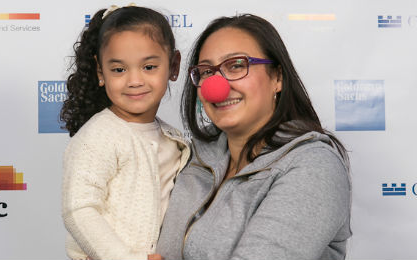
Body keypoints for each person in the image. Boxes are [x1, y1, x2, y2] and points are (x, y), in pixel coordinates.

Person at [156, 14, 351, 260]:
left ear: (277, 78)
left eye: (236, 65)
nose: (216, 85)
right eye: (206, 72)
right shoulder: (189, 156)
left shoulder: (313, 166)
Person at [60, 5, 190, 260]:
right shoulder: (98, 136)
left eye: (149, 67)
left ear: (173, 65)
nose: (134, 80)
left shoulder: (173, 139)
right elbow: (79, 209)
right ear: (101, 72)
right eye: (119, 69)